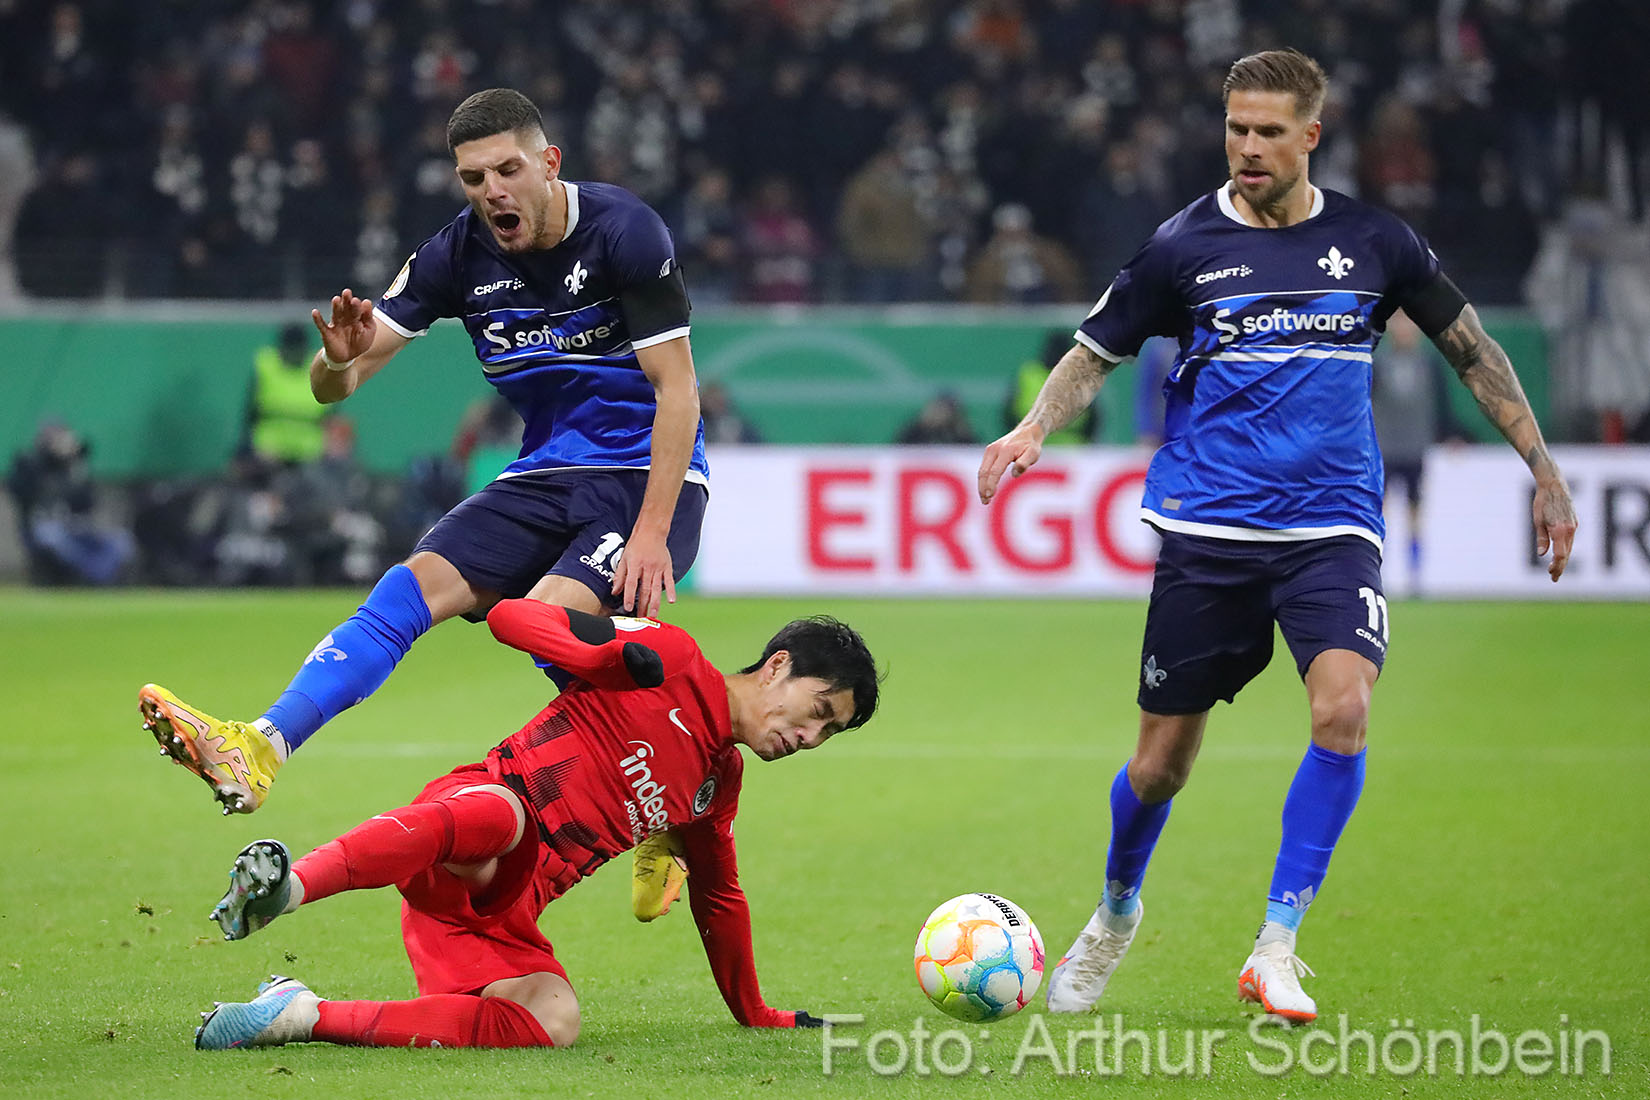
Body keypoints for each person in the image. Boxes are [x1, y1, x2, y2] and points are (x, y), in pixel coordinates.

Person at [977, 49, 1577, 1024]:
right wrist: (1034, 425)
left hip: (1331, 529)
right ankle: (1118, 908)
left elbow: (1473, 348)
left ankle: (1276, 942)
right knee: (1161, 765)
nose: (1248, 147)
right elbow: (1096, 351)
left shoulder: (1376, 242)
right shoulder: (1183, 247)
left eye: (1267, 131)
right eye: (1235, 129)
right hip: (1207, 533)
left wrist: (1545, 470)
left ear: (1311, 134)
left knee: (1344, 708)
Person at [139, 88, 708, 921]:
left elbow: (679, 391)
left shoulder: (626, 232)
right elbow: (341, 384)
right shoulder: (455, 255)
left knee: (545, 619)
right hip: (544, 474)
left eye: (509, 170)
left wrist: (653, 532)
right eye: (473, 178)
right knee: (405, 592)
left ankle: (668, 800)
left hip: (645, 477)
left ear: (549, 164)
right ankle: (261, 746)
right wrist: (335, 362)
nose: (492, 193)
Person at [191, 598, 880, 1051]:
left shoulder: (715, 786)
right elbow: (513, 617)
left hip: (499, 912)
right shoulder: (670, 657)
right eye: (819, 711)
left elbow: (720, 897)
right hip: (473, 817)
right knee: (505, 817)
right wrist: (600, 659)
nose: (812, 738)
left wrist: (755, 1011)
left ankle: (298, 1015)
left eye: (832, 732)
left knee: (554, 1019)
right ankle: (288, 890)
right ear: (779, 667)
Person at [244, 322, 328, 468]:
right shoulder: (266, 364)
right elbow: (250, 412)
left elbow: (332, 417)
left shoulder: (319, 366)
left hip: (310, 453)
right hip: (269, 450)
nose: (294, 352)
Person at [1003, 329, 1097, 444]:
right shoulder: (1080, 374)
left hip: (1034, 445)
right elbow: (1093, 417)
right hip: (1070, 447)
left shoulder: (1028, 373)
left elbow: (1008, 413)